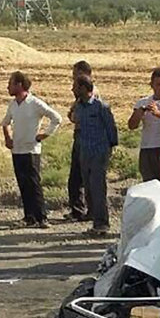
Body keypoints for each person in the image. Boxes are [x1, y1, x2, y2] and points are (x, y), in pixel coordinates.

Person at [1, 71, 62, 228]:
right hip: (17, 150)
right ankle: (29, 217)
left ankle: (41, 217)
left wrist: (45, 134)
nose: (8, 86)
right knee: (23, 184)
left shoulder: (35, 103)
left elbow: (56, 118)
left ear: (19, 85)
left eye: (11, 83)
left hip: (31, 150)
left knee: (34, 184)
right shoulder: (13, 104)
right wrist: (8, 138)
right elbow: (5, 122)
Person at [72, 74, 118, 235]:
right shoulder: (79, 106)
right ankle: (94, 220)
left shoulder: (101, 107)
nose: (73, 89)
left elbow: (111, 129)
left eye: (76, 86)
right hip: (85, 151)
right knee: (88, 187)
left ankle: (102, 223)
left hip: (99, 152)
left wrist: (109, 149)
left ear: (84, 88)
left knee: (98, 187)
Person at [127, 67, 160, 183]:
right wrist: (138, 114)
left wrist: (158, 113)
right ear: (152, 85)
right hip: (147, 149)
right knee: (149, 184)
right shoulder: (143, 102)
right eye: (159, 85)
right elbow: (131, 126)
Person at [65, 60, 93, 221]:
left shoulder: (90, 94)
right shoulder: (79, 96)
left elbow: (77, 116)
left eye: (75, 74)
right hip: (80, 136)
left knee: (81, 176)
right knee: (77, 176)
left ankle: (82, 210)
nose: (73, 78)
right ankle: (78, 209)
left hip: (86, 137)